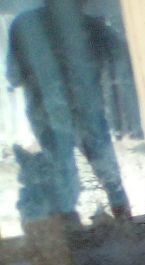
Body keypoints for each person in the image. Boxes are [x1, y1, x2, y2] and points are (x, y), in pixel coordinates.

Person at [6, 0, 131, 224]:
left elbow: (13, 77)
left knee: (63, 181)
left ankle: (71, 230)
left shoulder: (24, 26)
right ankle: (124, 224)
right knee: (108, 178)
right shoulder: (95, 28)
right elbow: (127, 63)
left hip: (49, 117)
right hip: (81, 116)